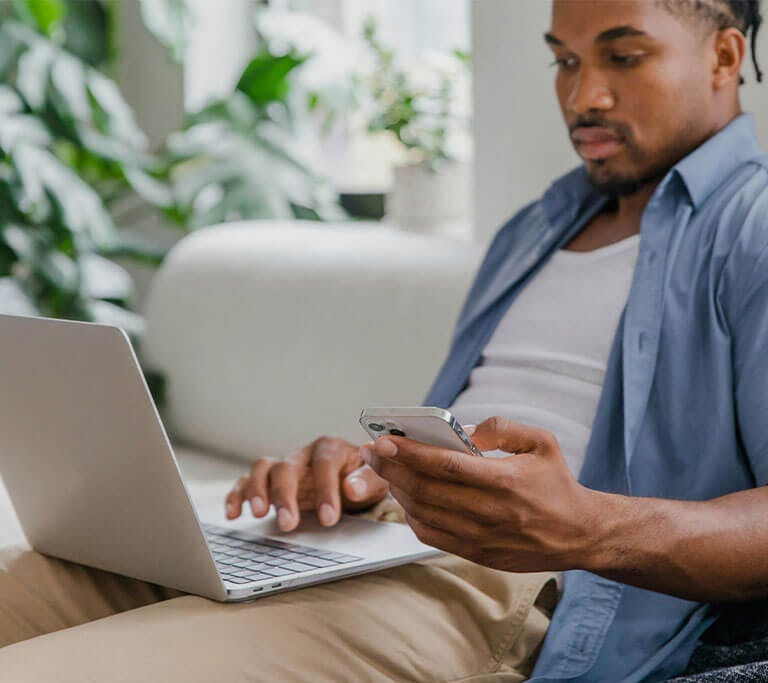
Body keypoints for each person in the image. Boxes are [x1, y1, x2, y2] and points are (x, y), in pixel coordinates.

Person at [0, 1, 766, 681]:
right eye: (565, 61)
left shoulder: (752, 225)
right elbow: (472, 419)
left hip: (500, 577)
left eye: (623, 57)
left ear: (726, 58)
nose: (582, 95)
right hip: (372, 536)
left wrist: (588, 525)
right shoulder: (537, 227)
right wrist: (371, 471)